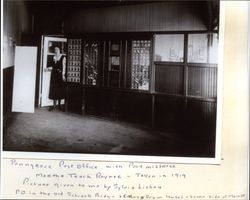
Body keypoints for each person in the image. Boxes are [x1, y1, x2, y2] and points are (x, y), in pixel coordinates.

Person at [46, 46, 66, 111]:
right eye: (55, 49)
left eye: (57, 49)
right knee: (54, 89)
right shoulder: (54, 57)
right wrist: (48, 68)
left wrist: (63, 75)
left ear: (59, 50)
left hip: (59, 75)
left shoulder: (63, 57)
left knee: (59, 89)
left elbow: (64, 67)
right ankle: (54, 105)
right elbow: (53, 66)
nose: (56, 50)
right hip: (54, 75)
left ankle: (59, 105)